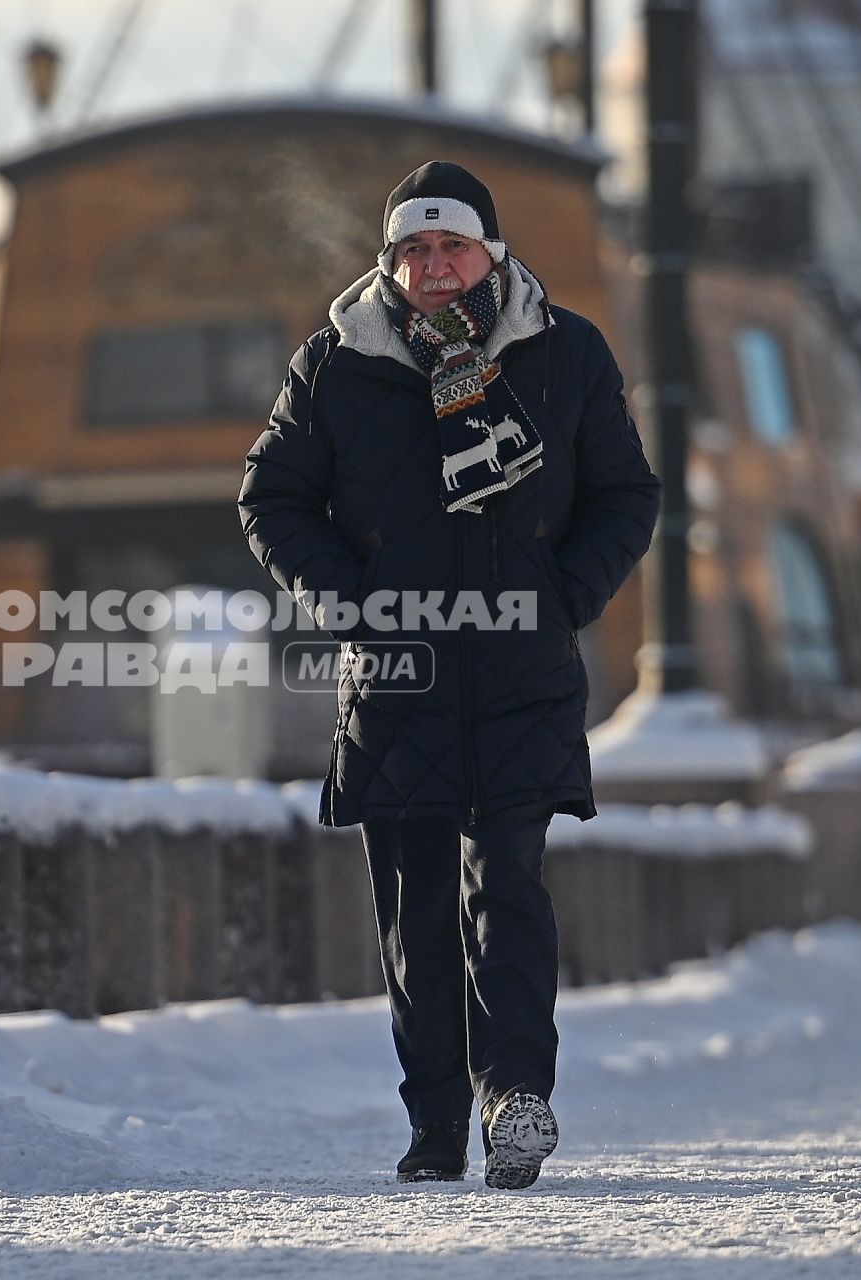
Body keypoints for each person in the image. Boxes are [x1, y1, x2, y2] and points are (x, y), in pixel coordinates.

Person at [237, 161, 660, 1189]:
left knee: (508, 885)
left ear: (490, 254)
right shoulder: (339, 364)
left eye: (451, 246)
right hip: (397, 678)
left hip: (522, 669)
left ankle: (516, 1096)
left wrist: (564, 593)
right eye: (413, 250)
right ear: (391, 261)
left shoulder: (562, 353)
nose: (433, 266)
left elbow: (625, 492)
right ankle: (433, 1124)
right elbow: (271, 496)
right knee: (416, 913)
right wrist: (355, 602)